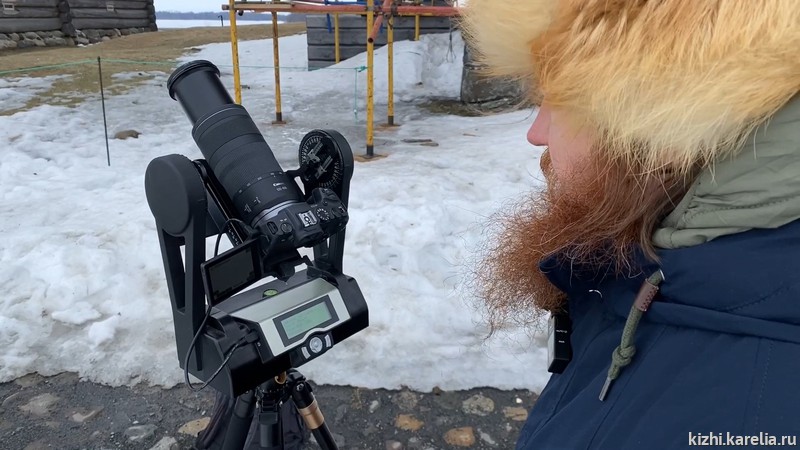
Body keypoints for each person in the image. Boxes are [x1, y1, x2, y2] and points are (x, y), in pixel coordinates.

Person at [461, 0, 800, 448]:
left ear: (659, 127)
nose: (536, 133)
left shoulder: (741, 403)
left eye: (561, 99)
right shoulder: (665, 273)